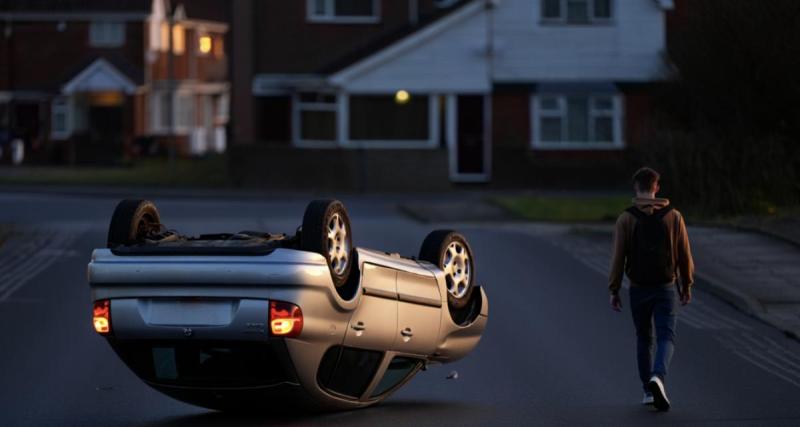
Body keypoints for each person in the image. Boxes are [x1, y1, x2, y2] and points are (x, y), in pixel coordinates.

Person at [608, 167, 694, 412]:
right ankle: (659, 376)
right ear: (656, 186)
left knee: (644, 338)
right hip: (666, 287)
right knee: (667, 336)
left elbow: (618, 257)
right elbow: (684, 255)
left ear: (636, 188)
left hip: (638, 288)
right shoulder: (674, 216)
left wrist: (614, 289)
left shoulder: (626, 218)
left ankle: (647, 389)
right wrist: (686, 284)